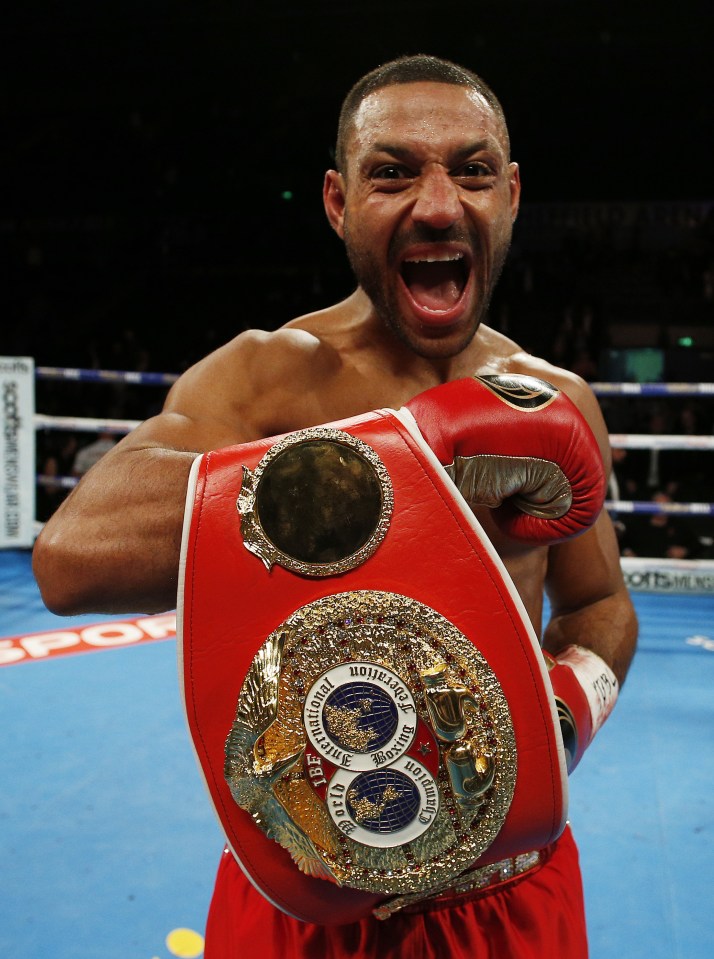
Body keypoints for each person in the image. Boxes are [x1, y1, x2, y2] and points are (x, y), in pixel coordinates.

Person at [33, 55, 638, 958]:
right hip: (306, 892)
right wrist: (401, 457)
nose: (439, 204)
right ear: (337, 202)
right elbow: (70, 560)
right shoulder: (266, 375)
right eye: (392, 172)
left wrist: (555, 720)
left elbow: (598, 606)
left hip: (512, 885)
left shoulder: (552, 402)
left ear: (510, 197)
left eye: (472, 171)